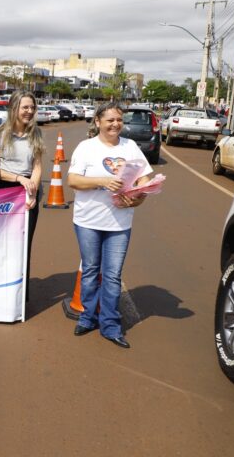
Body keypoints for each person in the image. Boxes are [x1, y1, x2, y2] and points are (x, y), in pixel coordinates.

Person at [67, 102, 152, 349]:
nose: (115, 124)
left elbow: (144, 178)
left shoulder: (131, 146)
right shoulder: (86, 147)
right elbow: (73, 180)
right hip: (88, 221)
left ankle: (110, 325)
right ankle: (87, 317)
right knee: (92, 270)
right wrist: (103, 181)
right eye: (110, 120)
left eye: (119, 119)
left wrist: (138, 196)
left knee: (113, 276)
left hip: (119, 223)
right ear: (97, 122)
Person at [0, 91, 44, 299]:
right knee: (2, 244)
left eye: (32, 107)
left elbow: (37, 167)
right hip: (4, 191)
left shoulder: (36, 134)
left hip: (28, 193)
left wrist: (33, 192)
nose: (29, 112)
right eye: (25, 107)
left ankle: (20, 296)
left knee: (23, 244)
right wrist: (19, 179)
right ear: (14, 109)